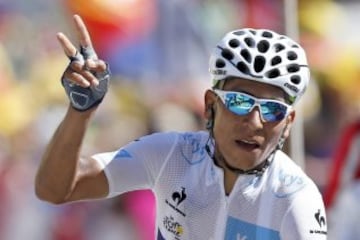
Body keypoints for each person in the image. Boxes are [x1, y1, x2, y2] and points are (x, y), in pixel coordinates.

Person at [35, 14, 327, 239]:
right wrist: (80, 111)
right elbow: (56, 189)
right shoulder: (171, 155)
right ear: (211, 105)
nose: (254, 121)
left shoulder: (296, 198)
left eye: (272, 110)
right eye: (238, 101)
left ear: (288, 123)